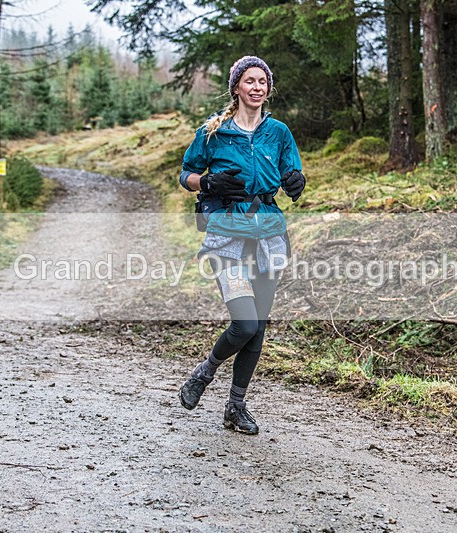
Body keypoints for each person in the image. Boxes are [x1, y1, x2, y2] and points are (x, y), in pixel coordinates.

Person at [177, 56, 306, 435]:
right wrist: (207, 183)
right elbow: (186, 174)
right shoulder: (213, 131)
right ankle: (205, 372)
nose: (257, 87)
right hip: (227, 237)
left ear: (269, 88)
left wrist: (296, 181)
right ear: (236, 87)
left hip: (268, 235)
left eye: (262, 81)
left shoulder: (279, 132)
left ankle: (235, 406)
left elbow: (292, 171)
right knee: (244, 322)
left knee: (258, 327)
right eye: (249, 81)